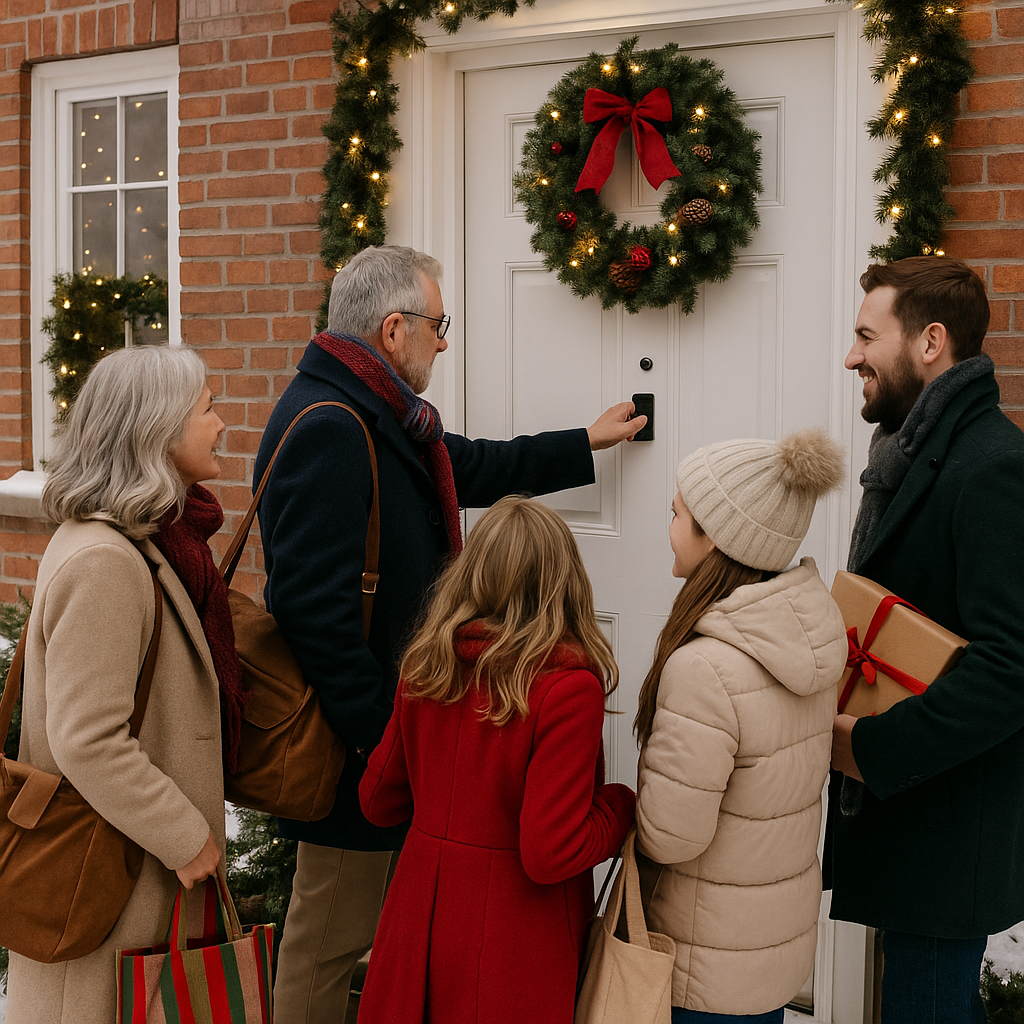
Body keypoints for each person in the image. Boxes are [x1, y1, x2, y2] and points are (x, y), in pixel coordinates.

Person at [254, 244, 646, 1024]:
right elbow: (311, 614)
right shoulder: (329, 425)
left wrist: (585, 443)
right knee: (323, 954)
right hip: (352, 763)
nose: (445, 340)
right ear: (394, 328)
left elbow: (468, 465)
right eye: (439, 324)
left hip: (400, 756)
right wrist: (391, 738)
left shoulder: (382, 416)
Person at [6, 346, 245, 1024]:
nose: (222, 423)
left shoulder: (136, 543)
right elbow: (87, 738)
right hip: (115, 882)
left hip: (129, 874)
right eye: (206, 409)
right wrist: (185, 836)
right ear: (159, 431)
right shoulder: (108, 561)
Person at [826, 256, 1024, 1023]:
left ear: (931, 340)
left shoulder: (992, 468)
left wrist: (870, 749)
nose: (852, 357)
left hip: (947, 835)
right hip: (912, 827)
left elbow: (1012, 671)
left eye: (866, 336)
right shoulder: (913, 455)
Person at [354, 495, 635, 1022]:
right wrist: (620, 807)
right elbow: (551, 850)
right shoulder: (567, 687)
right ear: (564, 581)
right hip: (517, 937)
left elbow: (377, 800)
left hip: (421, 921)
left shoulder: (427, 667)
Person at [633, 429, 848, 1022]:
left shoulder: (705, 668)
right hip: (767, 957)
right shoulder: (809, 641)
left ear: (715, 539)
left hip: (702, 966)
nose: (668, 525)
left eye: (677, 514)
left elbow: (672, 836)